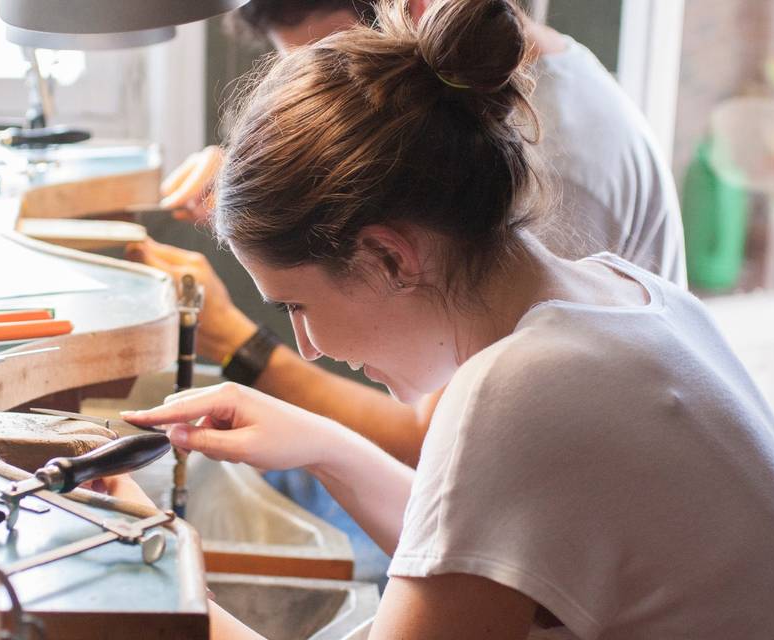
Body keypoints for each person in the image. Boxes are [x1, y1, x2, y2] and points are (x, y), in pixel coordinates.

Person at [121, 1, 774, 637]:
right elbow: (475, 547)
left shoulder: (515, 391)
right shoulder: (616, 289)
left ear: (388, 256)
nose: (308, 347)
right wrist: (323, 446)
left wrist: (155, 577)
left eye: (298, 306)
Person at [134, 0, 686, 469]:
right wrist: (273, 181)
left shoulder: (555, 170)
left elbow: (438, 446)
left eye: (341, 68)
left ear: (415, 10)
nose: (327, 103)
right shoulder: (507, 97)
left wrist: (236, 344)